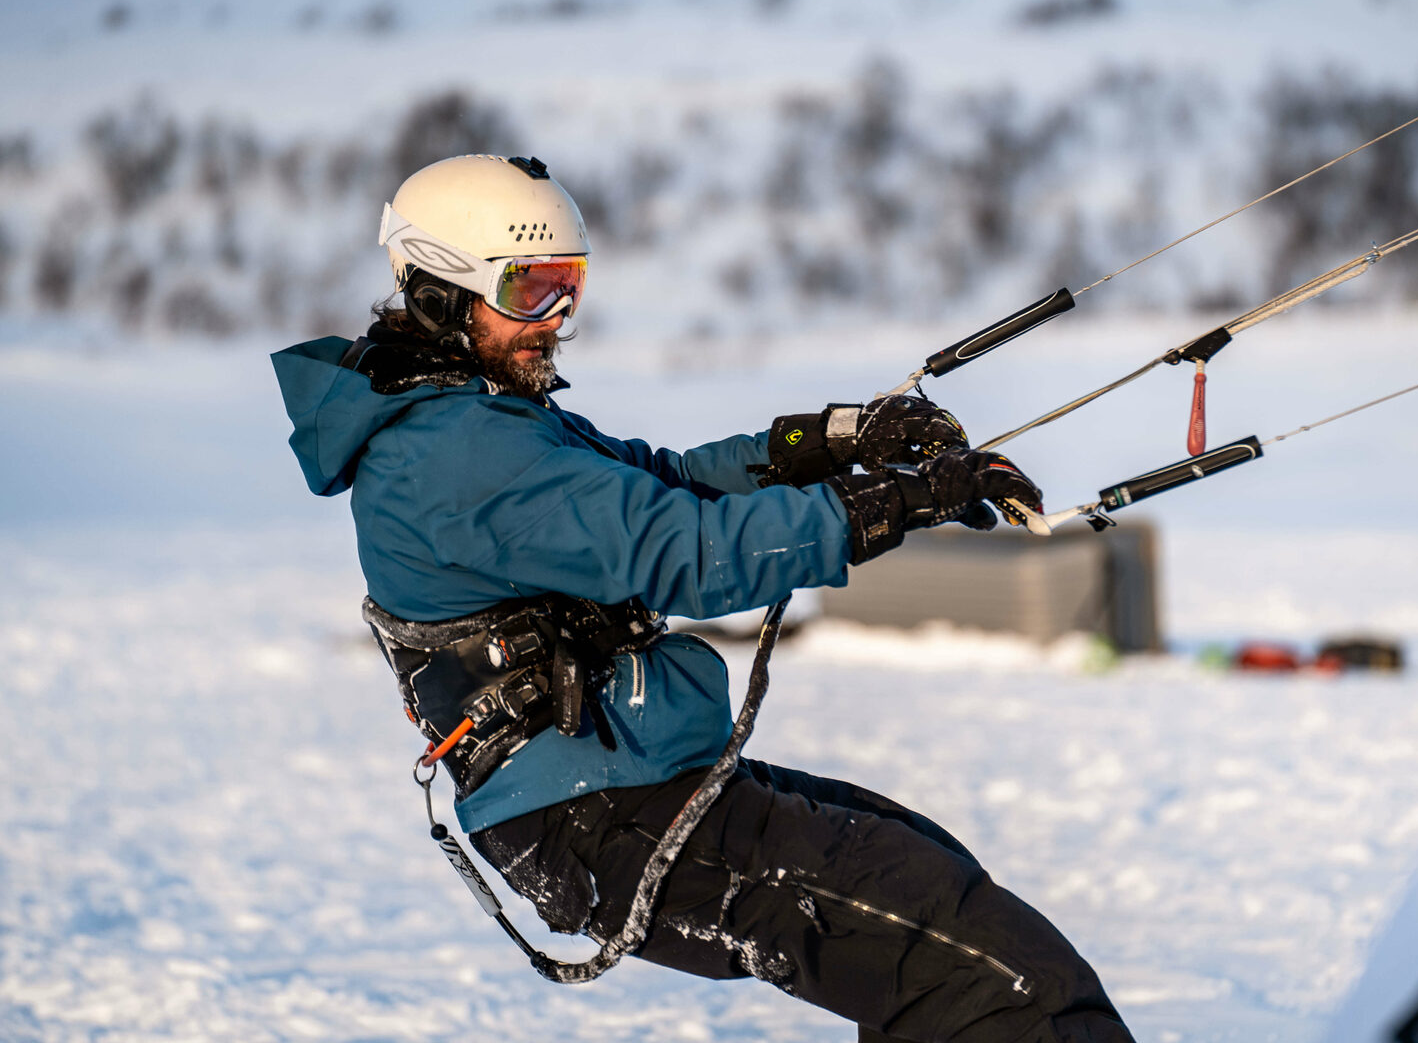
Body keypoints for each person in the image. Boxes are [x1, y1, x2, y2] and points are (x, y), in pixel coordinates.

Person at [272, 153, 1136, 1042]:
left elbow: (665, 485)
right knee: (1007, 982)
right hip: (593, 809)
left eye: (570, 288)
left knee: (933, 884)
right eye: (529, 290)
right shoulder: (457, 450)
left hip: (625, 779)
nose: (557, 321)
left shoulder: (476, 413)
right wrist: (900, 501)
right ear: (442, 289)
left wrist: (834, 443)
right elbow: (685, 551)